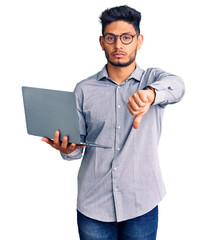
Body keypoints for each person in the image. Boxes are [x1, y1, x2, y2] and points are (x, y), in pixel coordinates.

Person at [42, 5, 185, 240]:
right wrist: (67, 150)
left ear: (139, 41)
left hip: (142, 203)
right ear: (102, 42)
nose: (118, 45)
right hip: (93, 205)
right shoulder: (84, 89)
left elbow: (178, 86)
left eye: (126, 38)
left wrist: (150, 94)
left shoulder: (154, 80)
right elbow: (76, 149)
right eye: (111, 38)